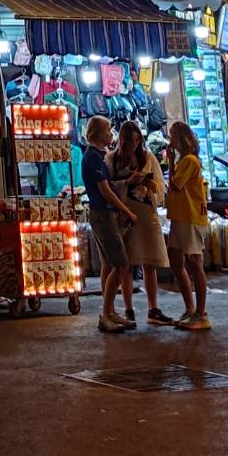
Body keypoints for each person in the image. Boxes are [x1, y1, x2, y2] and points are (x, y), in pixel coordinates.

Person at [109, 122, 174, 325]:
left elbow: (160, 185)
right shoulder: (112, 159)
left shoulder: (148, 157)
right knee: (127, 264)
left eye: (137, 140)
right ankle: (128, 309)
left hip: (146, 212)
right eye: (131, 140)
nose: (135, 144)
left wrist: (149, 184)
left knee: (150, 262)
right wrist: (128, 182)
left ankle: (153, 308)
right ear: (123, 140)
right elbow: (108, 187)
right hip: (126, 214)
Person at [81, 115, 137, 333]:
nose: (110, 134)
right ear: (97, 134)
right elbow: (105, 191)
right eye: (107, 130)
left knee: (115, 263)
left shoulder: (97, 156)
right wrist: (127, 211)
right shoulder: (94, 158)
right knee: (119, 264)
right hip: (102, 215)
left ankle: (111, 311)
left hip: (104, 214)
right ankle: (106, 314)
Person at [166, 121, 211, 330]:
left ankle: (201, 314)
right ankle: (190, 309)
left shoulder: (189, 161)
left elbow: (175, 184)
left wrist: (170, 161)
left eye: (173, 136)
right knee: (176, 261)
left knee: (194, 264)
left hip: (190, 218)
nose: (170, 140)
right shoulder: (186, 160)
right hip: (180, 217)